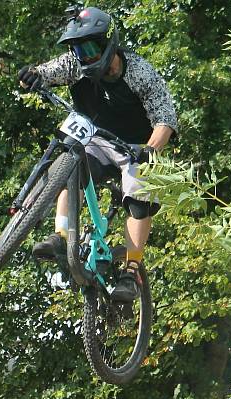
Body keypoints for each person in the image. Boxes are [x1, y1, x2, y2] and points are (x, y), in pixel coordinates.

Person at [18, 6, 177, 302]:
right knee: (70, 166)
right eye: (78, 50)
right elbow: (45, 73)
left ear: (108, 44)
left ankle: (131, 270)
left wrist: (151, 150)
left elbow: (165, 118)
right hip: (95, 139)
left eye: (89, 48)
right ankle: (61, 236)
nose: (83, 56)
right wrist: (32, 76)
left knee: (140, 199)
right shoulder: (75, 64)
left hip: (135, 147)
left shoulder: (140, 72)